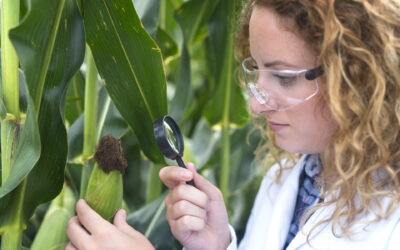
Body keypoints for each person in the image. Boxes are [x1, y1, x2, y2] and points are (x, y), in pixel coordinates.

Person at [66, 0, 400, 249]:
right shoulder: (291, 175)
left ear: (358, 77)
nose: (256, 105)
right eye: (256, 71)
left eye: (284, 78)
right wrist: (218, 244)